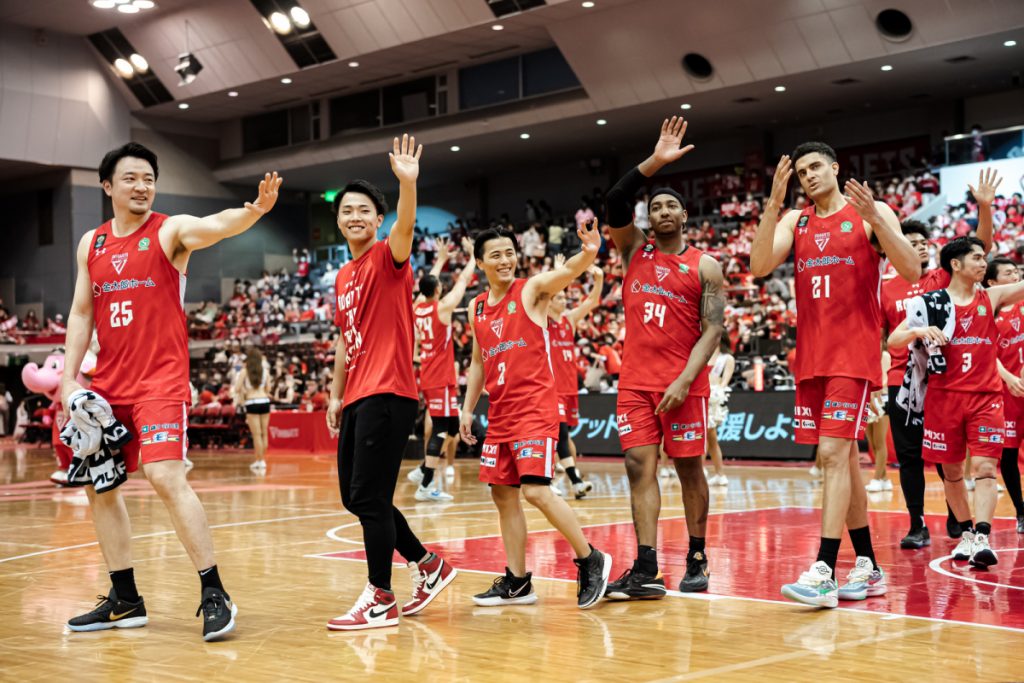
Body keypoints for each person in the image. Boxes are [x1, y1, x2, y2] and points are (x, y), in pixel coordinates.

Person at [60, 142, 282, 639]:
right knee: (100, 488)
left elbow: (215, 225)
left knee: (165, 475)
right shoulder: (90, 244)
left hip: (159, 382)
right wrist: (68, 379)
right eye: (132, 178)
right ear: (107, 186)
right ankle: (125, 598)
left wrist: (252, 214)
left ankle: (214, 591)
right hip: (107, 388)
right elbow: (80, 312)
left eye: (149, 178)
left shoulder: (169, 231)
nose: (142, 186)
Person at [751, 140, 921, 608]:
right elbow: (759, 265)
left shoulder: (869, 211)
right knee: (844, 461)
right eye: (800, 171)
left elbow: (911, 269)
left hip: (854, 354)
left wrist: (879, 220)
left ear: (835, 168)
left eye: (814, 167)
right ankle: (868, 565)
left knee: (830, 454)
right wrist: (771, 204)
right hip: (812, 357)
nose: (807, 176)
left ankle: (824, 570)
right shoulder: (795, 220)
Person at [325, 135, 456, 630]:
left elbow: (405, 225)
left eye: (363, 210)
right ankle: (428, 565)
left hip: (389, 391)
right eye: (347, 211)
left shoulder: (387, 256)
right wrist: (336, 394)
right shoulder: (342, 276)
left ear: (375, 219)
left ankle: (381, 596)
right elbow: (344, 338)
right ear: (338, 220)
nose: (355, 216)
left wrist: (407, 183)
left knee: (368, 499)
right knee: (357, 498)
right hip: (357, 394)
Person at [603, 117, 727, 598]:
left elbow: (713, 328)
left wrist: (684, 379)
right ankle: (647, 566)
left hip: (685, 384)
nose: (663, 211)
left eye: (672, 205)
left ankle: (697, 556)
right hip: (635, 382)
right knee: (639, 466)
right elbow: (615, 199)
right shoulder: (632, 249)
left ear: (685, 216)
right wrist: (654, 163)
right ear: (648, 218)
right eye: (655, 206)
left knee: (689, 468)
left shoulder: (705, 265)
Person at [459, 221, 611, 609]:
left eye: (510, 252)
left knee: (535, 490)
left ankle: (590, 558)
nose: (505, 259)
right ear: (480, 262)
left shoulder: (529, 289)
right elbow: (478, 363)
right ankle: (518, 581)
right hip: (500, 414)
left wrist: (590, 252)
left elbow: (566, 272)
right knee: (502, 495)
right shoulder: (477, 307)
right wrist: (467, 408)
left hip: (535, 408)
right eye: (496, 254)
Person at [880, 169, 998, 548]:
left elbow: (979, 245)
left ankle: (962, 525)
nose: (920, 247)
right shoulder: (883, 287)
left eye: (924, 242)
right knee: (912, 457)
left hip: (943, 381)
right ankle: (917, 523)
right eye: (911, 242)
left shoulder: (939, 281)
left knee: (958, 459)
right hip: (903, 381)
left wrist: (984, 207)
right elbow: (884, 337)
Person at [889, 237, 1024, 567]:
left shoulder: (989, 297)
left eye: (984, 257)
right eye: (976, 258)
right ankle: (965, 534)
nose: (983, 263)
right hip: (943, 399)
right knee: (951, 474)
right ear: (956, 265)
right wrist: (920, 332)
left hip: (986, 398)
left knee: (985, 468)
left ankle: (981, 536)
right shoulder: (931, 303)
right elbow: (894, 339)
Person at [408, 236, 476, 502]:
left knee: (451, 429)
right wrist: (472, 257)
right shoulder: (442, 308)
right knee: (441, 429)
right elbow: (461, 284)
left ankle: (424, 472)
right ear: (437, 291)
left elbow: (428, 284)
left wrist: (441, 260)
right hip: (440, 376)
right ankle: (424, 483)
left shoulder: (417, 308)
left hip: (432, 375)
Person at [546, 257, 604, 499]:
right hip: (551, 388)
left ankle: (571, 480)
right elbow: (544, 292)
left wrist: (599, 279)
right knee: (557, 433)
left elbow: (592, 301)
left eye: (564, 297)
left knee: (564, 435)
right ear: (549, 301)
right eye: (558, 297)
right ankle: (567, 480)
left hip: (570, 388)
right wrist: (560, 273)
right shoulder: (542, 320)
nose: (564, 300)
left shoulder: (568, 321)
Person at [985, 257, 1024, 533]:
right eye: (1008, 273)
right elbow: (987, 354)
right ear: (992, 283)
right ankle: (1021, 513)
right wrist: (1009, 378)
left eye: (1016, 271)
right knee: (1008, 455)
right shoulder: (988, 315)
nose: (1015, 276)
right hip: (1008, 393)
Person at [233, 347, 271, 473]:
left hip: (252, 402)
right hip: (265, 401)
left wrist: (246, 391)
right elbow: (268, 389)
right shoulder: (265, 371)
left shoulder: (245, 371)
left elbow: (237, 388)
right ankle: (263, 460)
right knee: (264, 432)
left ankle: (259, 460)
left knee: (256, 435)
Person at [706, 338, 735, 486]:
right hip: (699, 396)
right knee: (710, 439)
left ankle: (706, 471)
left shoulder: (726, 358)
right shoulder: (702, 353)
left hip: (713, 398)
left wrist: (715, 393)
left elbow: (725, 382)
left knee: (707, 435)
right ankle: (719, 474)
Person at [864, 348, 892, 492]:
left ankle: (876, 479)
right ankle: (885, 478)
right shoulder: (864, 353)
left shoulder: (885, 355)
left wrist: (876, 388)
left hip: (882, 399)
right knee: (872, 443)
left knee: (880, 442)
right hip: (867, 398)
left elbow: (886, 378)